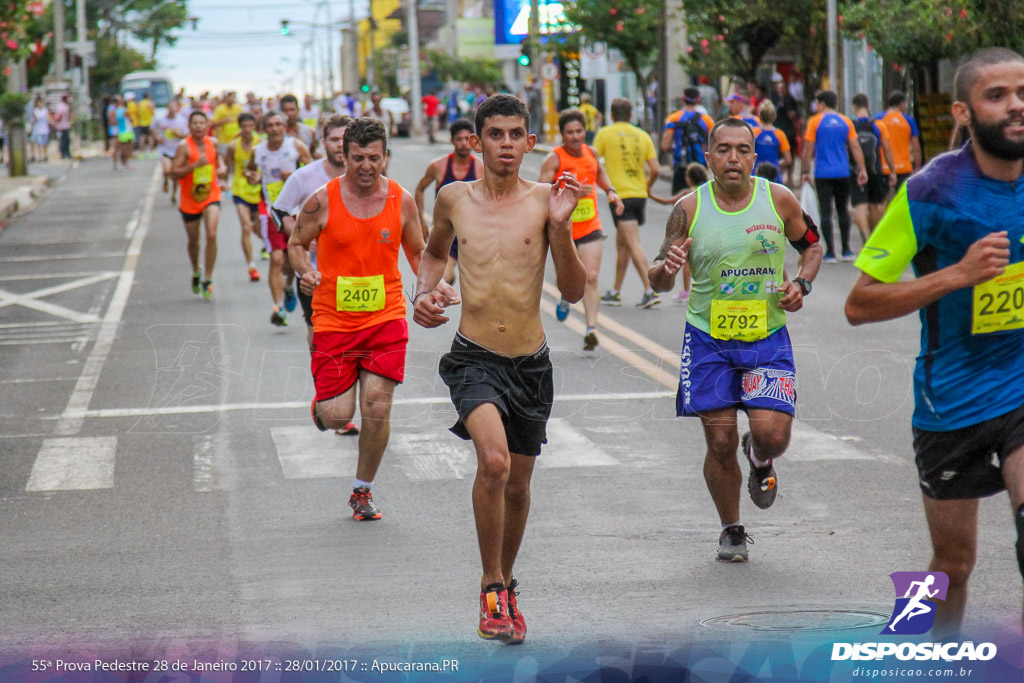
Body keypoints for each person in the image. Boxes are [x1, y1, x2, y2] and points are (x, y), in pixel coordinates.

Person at [845, 47, 1024, 638]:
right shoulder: (932, 191)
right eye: (996, 96)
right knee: (953, 565)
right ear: (964, 112)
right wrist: (957, 275)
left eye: (1022, 92)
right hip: (952, 402)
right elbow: (859, 303)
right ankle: (912, 650)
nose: (1016, 105)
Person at [412, 94, 585, 644]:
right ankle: (490, 586)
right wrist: (426, 291)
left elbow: (576, 291)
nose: (505, 144)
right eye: (495, 134)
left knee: (518, 485)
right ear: (475, 141)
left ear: (530, 143)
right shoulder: (452, 198)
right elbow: (434, 254)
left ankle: (508, 583)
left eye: (516, 134)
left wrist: (561, 228)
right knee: (493, 464)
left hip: (531, 364)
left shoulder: (545, 202)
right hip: (473, 357)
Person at [648, 117, 822, 562]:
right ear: (708, 158)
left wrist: (801, 284)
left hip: (767, 337)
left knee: (772, 435)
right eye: (723, 149)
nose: (733, 158)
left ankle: (760, 460)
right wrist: (665, 269)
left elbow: (813, 246)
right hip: (708, 340)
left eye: (743, 150)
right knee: (719, 441)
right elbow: (658, 280)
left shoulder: (777, 199)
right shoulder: (688, 208)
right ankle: (731, 528)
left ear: (754, 158)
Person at [290, 117, 445, 523]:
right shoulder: (321, 201)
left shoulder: (402, 200)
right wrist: (304, 270)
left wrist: (432, 286)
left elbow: (417, 251)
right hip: (334, 321)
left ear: (384, 157)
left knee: (376, 407)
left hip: (385, 317)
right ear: (345, 156)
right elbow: (296, 244)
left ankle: (363, 490)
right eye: (357, 157)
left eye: (373, 158)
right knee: (339, 416)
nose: (365, 166)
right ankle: (322, 410)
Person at [539, 109, 624, 350]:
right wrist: (568, 192)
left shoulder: (591, 153)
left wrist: (611, 192)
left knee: (592, 276)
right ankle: (566, 297)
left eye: (579, 131)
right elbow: (541, 190)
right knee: (567, 278)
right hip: (563, 229)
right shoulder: (554, 159)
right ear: (562, 135)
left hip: (590, 225)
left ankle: (591, 328)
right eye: (570, 132)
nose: (576, 136)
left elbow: (601, 174)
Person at [279, 113, 351, 357]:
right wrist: (302, 237)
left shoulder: (365, 178)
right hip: (314, 272)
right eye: (333, 139)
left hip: (354, 274)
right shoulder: (304, 176)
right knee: (319, 335)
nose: (340, 144)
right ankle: (323, 385)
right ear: (323, 141)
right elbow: (279, 210)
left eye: (345, 138)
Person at [594, 98, 662, 309]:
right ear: (631, 115)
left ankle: (649, 290)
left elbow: (592, 159)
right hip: (639, 194)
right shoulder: (643, 136)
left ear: (611, 115)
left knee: (632, 242)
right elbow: (656, 169)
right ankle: (615, 291)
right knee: (622, 244)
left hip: (620, 196)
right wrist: (647, 186)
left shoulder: (605, 133)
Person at [247, 110, 312, 327]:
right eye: (270, 125)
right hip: (271, 209)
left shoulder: (296, 146)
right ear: (264, 129)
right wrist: (253, 177)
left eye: (278, 124)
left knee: (293, 259)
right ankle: (279, 308)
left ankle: (287, 286)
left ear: (284, 127)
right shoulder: (257, 151)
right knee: (276, 258)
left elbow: (313, 172)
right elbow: (250, 172)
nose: (274, 129)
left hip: (295, 210)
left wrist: (295, 174)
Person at [413, 119, 484, 285]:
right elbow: (419, 189)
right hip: (446, 234)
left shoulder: (480, 168)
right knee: (444, 280)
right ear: (452, 141)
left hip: (472, 234)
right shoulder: (439, 166)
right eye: (459, 139)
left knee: (476, 285)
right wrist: (421, 221)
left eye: (468, 139)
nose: (464, 144)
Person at [801, 90, 867, 263]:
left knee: (826, 211)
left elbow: (808, 148)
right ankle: (846, 249)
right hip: (842, 172)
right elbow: (855, 147)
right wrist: (862, 169)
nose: (816, 107)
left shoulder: (815, 122)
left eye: (817, 103)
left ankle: (830, 251)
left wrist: (804, 171)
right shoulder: (845, 121)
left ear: (822, 103)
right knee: (842, 209)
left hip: (822, 173)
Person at [170, 110, 227, 300]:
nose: (199, 127)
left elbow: (219, 161)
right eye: (195, 123)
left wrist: (222, 169)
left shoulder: (214, 143)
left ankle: (208, 278)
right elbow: (173, 173)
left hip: (211, 194)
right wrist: (193, 166)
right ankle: (196, 270)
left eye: (202, 123)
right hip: (190, 199)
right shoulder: (184, 147)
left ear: (207, 125)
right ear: (189, 126)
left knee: (211, 233)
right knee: (194, 242)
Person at [650, 162, 709, 304]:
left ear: (688, 179)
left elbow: (666, 202)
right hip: (706, 229)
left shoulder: (688, 195)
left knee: (686, 262)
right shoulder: (709, 192)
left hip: (691, 230)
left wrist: (651, 196)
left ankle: (687, 291)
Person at [849, 93, 897, 243]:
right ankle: (874, 238)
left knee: (860, 204)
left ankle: (865, 236)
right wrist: (892, 170)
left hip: (856, 170)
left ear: (854, 107)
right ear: (868, 106)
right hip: (876, 168)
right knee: (876, 203)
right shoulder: (878, 125)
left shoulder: (850, 125)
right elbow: (887, 149)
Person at [225, 112, 264, 283]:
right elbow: (228, 166)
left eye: (251, 126)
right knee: (246, 227)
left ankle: (268, 244)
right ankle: (251, 266)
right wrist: (224, 178)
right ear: (240, 128)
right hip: (240, 190)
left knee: (259, 228)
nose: (248, 130)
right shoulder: (233, 146)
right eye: (244, 127)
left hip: (257, 190)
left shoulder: (261, 144)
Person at [661, 87, 715, 193]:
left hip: (681, 166)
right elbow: (715, 143)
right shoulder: (707, 120)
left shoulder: (673, 118)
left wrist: (678, 148)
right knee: (702, 199)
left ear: (682, 99)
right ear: (698, 100)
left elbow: (665, 145)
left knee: (680, 202)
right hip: (700, 167)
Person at [875, 90, 923, 191]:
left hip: (884, 167)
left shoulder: (878, 119)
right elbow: (916, 147)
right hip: (904, 167)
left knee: (883, 201)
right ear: (902, 104)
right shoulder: (909, 120)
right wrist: (918, 167)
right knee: (902, 199)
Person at [152, 98, 187, 201]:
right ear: (167, 108)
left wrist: (178, 134)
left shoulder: (181, 120)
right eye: (170, 106)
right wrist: (157, 137)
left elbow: (186, 135)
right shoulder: (160, 119)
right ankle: (166, 181)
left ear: (177, 108)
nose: (172, 108)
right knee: (167, 170)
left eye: (174, 106)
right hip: (165, 150)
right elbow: (152, 128)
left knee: (175, 174)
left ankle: (174, 195)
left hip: (176, 150)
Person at [753, 101, 792, 178]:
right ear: (774, 117)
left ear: (759, 115)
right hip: (774, 176)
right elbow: (788, 160)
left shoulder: (754, 132)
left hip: (756, 175)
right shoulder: (780, 134)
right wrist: (776, 164)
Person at [211, 91, 242, 158]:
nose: (230, 98)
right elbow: (213, 123)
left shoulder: (238, 108)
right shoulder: (219, 109)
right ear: (224, 98)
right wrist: (224, 121)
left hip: (236, 140)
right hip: (223, 141)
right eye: (228, 97)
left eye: (231, 96)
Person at [29, 96, 51, 163]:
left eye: (41, 102)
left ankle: (46, 156)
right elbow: (34, 120)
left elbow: (48, 119)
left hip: (45, 129)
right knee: (39, 144)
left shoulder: (45, 110)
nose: (40, 103)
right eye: (39, 102)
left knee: (45, 144)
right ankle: (40, 156)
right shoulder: (35, 111)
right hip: (38, 130)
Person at [54, 94, 72, 160]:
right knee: (65, 141)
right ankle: (64, 154)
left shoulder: (63, 106)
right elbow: (59, 116)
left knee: (66, 140)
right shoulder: (62, 107)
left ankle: (65, 153)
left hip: (64, 126)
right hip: (63, 126)